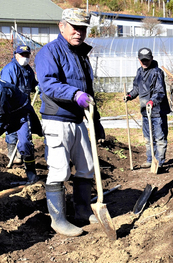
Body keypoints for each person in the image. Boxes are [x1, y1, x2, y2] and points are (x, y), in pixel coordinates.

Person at [35, 8, 105, 237]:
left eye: (83, 28)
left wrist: (96, 121)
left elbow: (89, 92)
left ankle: (83, 211)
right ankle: (58, 220)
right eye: (75, 27)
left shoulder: (81, 55)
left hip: (78, 120)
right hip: (56, 119)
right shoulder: (49, 52)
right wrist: (75, 94)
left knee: (86, 167)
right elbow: (48, 84)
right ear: (61, 26)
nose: (79, 32)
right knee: (59, 169)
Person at [125, 47, 171, 170]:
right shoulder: (139, 72)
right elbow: (136, 89)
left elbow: (160, 92)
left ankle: (159, 162)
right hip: (145, 112)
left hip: (157, 112)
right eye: (142, 60)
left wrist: (152, 101)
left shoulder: (157, 72)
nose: (144, 62)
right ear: (139, 59)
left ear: (151, 58)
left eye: (147, 60)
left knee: (159, 138)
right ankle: (150, 159)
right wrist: (129, 95)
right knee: (148, 138)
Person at [1, 45, 39, 164]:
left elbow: (32, 84)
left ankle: (21, 154)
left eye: (27, 55)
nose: (25, 57)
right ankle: (12, 154)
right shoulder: (10, 69)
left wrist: (37, 86)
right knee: (11, 130)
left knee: (25, 134)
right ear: (16, 55)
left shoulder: (28, 70)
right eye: (22, 55)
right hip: (12, 107)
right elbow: (5, 89)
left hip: (24, 105)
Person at [0, 79, 42, 183]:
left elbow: (2, 115)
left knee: (25, 142)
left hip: (20, 112)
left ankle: (31, 174)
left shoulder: (2, 90)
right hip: (6, 112)